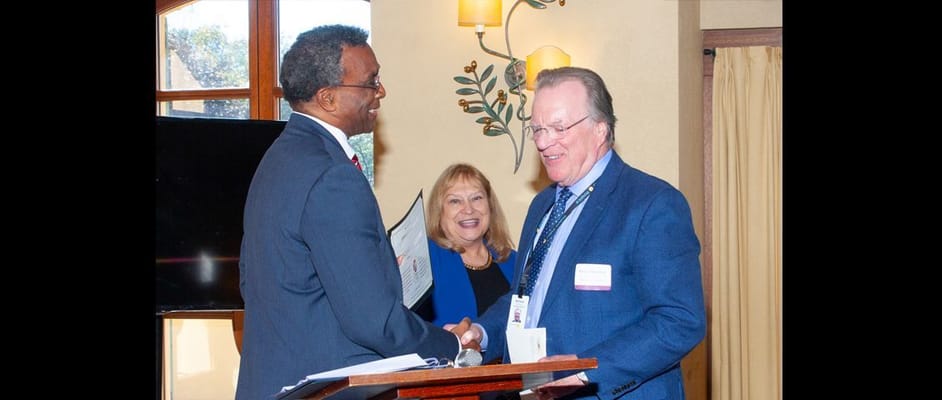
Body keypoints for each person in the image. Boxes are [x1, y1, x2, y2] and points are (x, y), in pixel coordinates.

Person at [236, 25, 474, 400]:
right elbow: (373, 322)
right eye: (371, 81)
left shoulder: (278, 159)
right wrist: (450, 347)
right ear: (328, 98)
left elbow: (255, 282)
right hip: (326, 388)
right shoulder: (332, 176)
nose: (381, 92)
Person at [453, 67, 706, 400]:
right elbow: (526, 298)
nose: (543, 142)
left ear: (599, 129)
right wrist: (482, 333)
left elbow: (679, 320)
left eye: (558, 128)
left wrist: (588, 370)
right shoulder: (543, 205)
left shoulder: (651, 204)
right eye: (538, 129)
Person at [422, 163, 518, 329]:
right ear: (440, 212)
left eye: (476, 198)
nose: (468, 209)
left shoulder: (514, 261)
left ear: (490, 206)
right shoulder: (424, 260)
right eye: (455, 201)